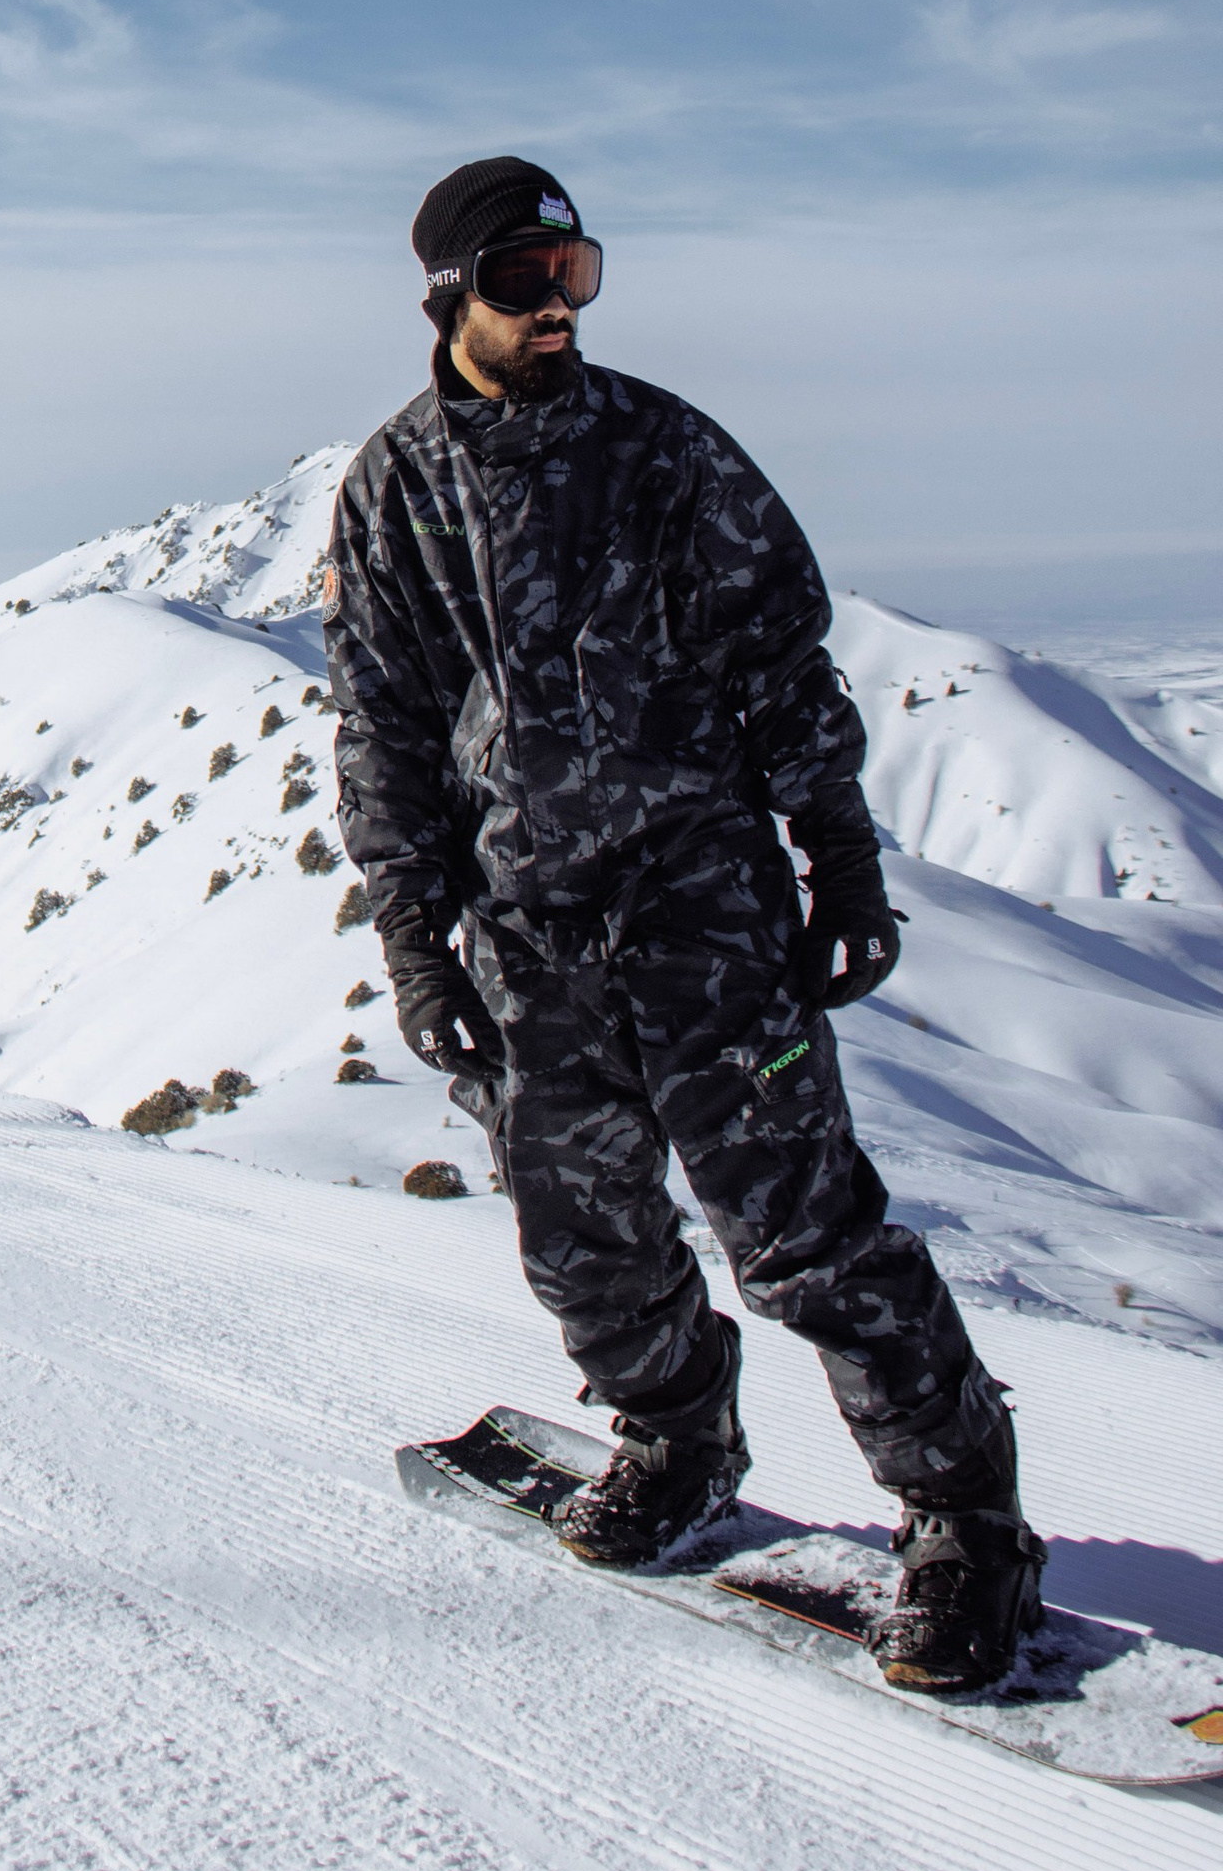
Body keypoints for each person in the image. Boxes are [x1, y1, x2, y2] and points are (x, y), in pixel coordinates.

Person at [321, 154, 1045, 1695]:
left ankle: (966, 1522)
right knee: (584, 1244)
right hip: (527, 932)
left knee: (806, 1239)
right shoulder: (393, 490)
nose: (558, 307)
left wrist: (838, 863)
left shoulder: (666, 452)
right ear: (452, 295)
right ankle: (675, 1439)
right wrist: (416, 942)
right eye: (524, 281)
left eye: (576, 278)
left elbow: (785, 661)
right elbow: (380, 730)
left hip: (699, 905)